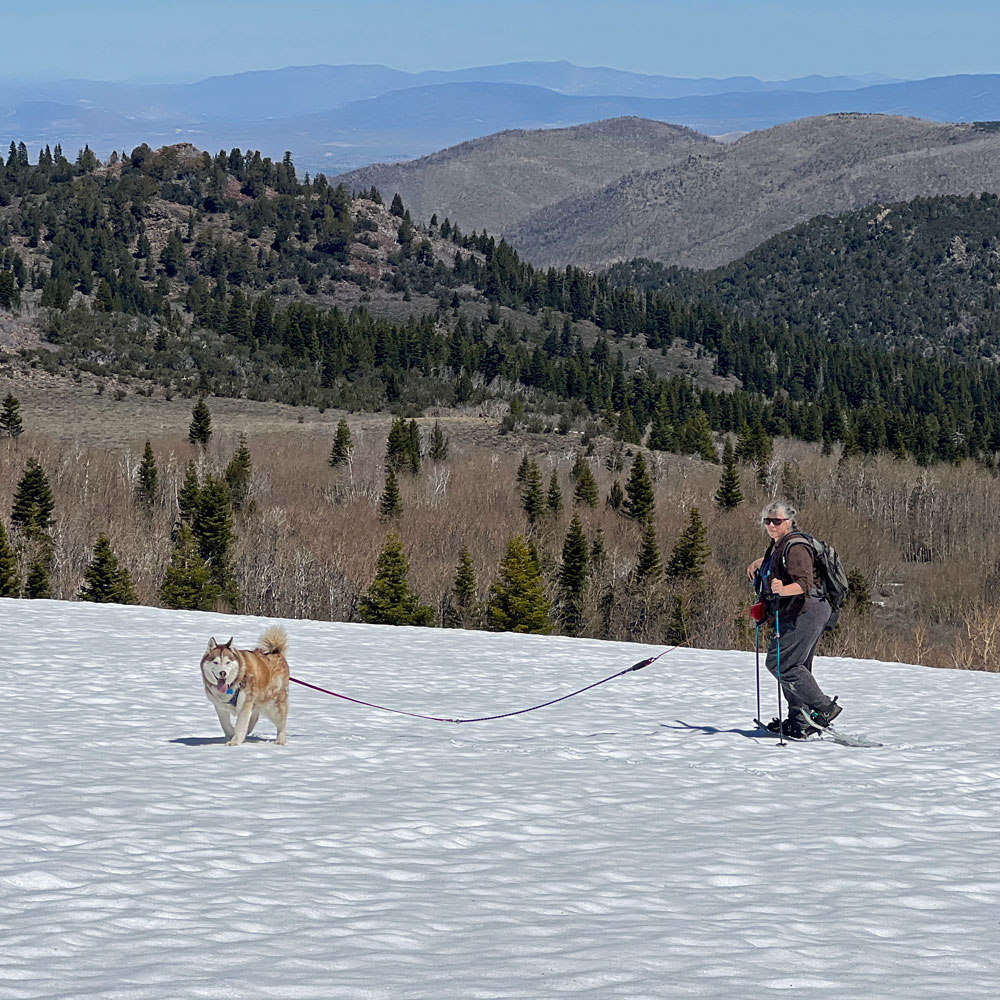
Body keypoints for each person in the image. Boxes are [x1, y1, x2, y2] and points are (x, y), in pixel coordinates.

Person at [745, 500, 841, 739]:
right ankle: (799, 721)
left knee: (782, 664)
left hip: (807, 610)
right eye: (767, 521)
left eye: (777, 521)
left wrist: (781, 589)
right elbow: (781, 563)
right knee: (797, 666)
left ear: (789, 521)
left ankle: (825, 708)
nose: (771, 525)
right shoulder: (782, 545)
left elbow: (803, 584)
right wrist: (761, 562)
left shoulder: (796, 547)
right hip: (803, 611)